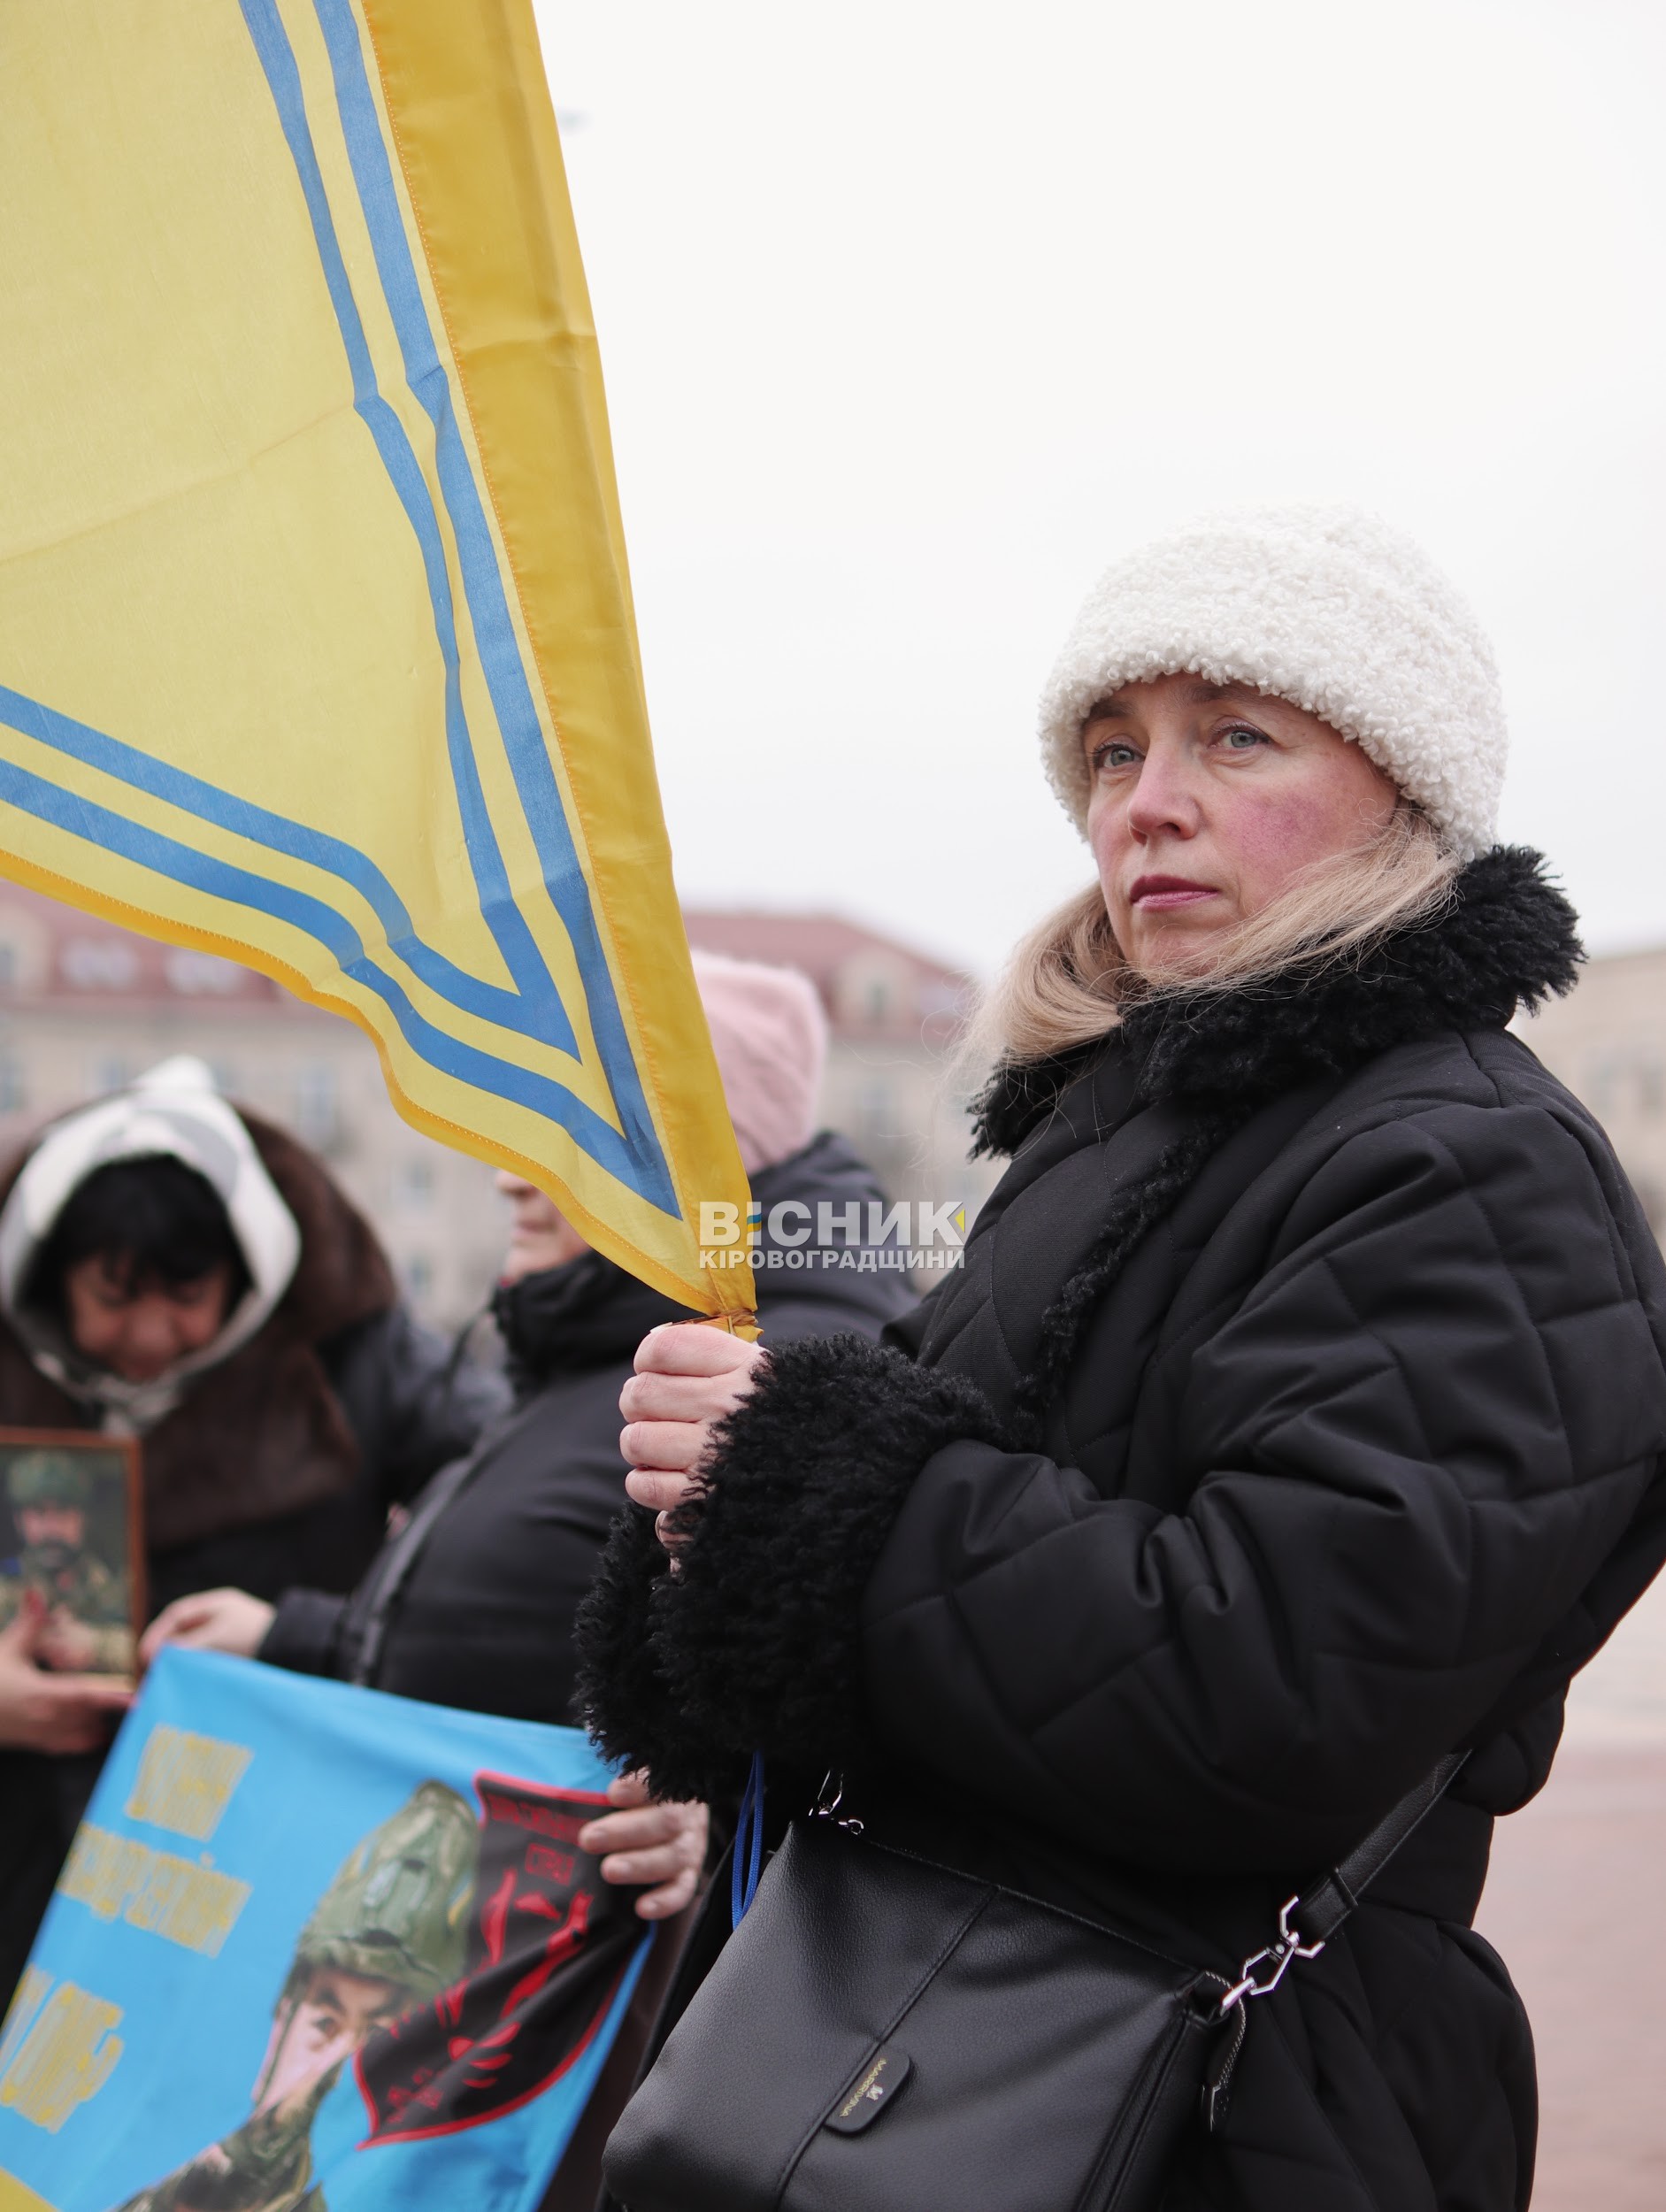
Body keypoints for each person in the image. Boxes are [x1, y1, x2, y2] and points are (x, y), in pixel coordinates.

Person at [579, 506, 1666, 2212]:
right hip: (945, 2054)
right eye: (1108, 749)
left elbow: (1273, 1690)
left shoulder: (1464, 1162)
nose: (1142, 801)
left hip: (1230, 2110)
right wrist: (725, 1537)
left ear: (1405, 787)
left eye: (1235, 736)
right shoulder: (1121, 1132)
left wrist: (804, 1482)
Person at [142, 951, 914, 2209]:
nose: (507, 1170)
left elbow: (843, 1725)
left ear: (687, 1158)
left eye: (563, 1133)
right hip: (482, 2045)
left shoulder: (782, 1368)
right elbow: (517, 1647)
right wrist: (295, 1636)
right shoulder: (597, 1343)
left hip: (590, 2077)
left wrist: (708, 1817)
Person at [0, 1056, 505, 2005]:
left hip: (264, 1829)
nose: (153, 1338)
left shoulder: (354, 1348)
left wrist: (305, 1626)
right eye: (115, 1296)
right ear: (44, 1271)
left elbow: (495, 1518)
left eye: (188, 1299)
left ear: (250, 1274)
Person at [116, 1778, 479, 2212]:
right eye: (326, 2023)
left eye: (378, 2040)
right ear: (280, 2030)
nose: (332, 2068)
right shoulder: (183, 2181)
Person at [0, 1450, 133, 1673]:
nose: (52, 1529)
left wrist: (97, 1646)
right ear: (19, 1521)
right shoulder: (5, 1584)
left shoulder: (118, 1585)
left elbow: (155, 1651)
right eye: (39, 1513)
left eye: (63, 1512)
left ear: (84, 1518)